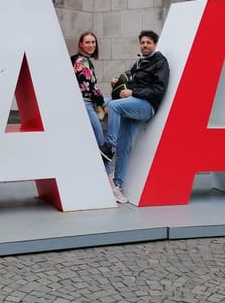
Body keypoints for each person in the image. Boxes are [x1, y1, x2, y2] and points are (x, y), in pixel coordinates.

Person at [101, 30, 169, 196]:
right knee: (104, 103)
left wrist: (133, 93)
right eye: (143, 42)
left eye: (148, 43)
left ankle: (109, 146)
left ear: (155, 44)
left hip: (146, 106)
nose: (145, 45)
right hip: (132, 106)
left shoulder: (160, 62)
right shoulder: (140, 62)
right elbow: (128, 81)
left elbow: (158, 89)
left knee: (114, 105)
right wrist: (117, 82)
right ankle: (118, 185)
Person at [71, 32, 128, 204]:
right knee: (101, 145)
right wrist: (102, 104)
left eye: (93, 42)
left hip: (89, 103)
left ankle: (102, 183)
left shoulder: (85, 61)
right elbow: (89, 87)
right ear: (81, 44)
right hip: (86, 104)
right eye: (87, 42)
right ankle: (112, 187)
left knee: (116, 103)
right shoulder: (81, 61)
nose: (91, 45)